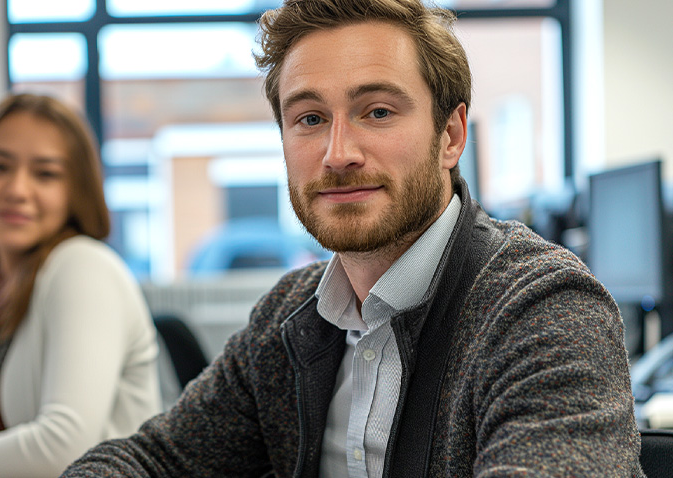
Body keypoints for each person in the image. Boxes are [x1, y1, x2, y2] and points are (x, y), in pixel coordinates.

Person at [62, 0, 645, 476]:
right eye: (310, 118)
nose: (338, 154)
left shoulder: (543, 308)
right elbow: (153, 460)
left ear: (450, 135)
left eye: (378, 111)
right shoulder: (288, 319)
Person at [0, 93, 161, 478]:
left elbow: (66, 446)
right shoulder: (0, 286)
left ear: (76, 190)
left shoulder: (82, 266)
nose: (17, 189)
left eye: (45, 174)